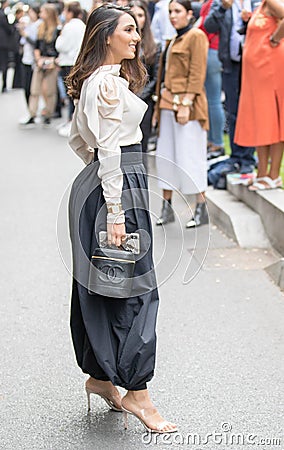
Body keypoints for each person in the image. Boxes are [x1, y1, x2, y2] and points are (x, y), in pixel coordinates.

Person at [66, 4, 177, 434]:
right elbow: (109, 148)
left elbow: (79, 139)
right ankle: (137, 392)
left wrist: (94, 176)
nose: (136, 36)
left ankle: (99, 377)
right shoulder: (108, 85)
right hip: (117, 190)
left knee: (100, 286)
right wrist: (115, 208)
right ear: (105, 35)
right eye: (129, 30)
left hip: (101, 183)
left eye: (137, 29)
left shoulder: (97, 80)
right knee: (135, 290)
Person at [154, 0, 209, 228]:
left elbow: (197, 72)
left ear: (189, 13)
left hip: (188, 105)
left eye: (177, 11)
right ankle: (167, 208)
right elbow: (163, 77)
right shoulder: (174, 39)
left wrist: (187, 102)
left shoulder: (196, 36)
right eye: (170, 12)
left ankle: (201, 208)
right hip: (167, 103)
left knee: (191, 155)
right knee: (166, 156)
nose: (173, 16)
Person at [204, 0, 260, 175]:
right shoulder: (223, 3)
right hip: (231, 64)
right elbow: (209, 26)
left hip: (255, 64)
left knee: (251, 112)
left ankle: (248, 158)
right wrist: (223, 8)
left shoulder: (258, 2)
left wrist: (249, 21)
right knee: (233, 111)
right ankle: (236, 156)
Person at [234, 0, 284, 190]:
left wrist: (275, 38)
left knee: (271, 120)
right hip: (257, 72)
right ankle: (263, 172)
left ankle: (271, 175)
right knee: (262, 120)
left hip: (269, 68)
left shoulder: (272, 2)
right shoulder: (262, 5)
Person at [129, 0, 161, 162]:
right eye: (133, 14)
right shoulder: (121, 45)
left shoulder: (154, 47)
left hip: (144, 101)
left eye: (140, 15)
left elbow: (156, 78)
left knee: (142, 145)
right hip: (125, 100)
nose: (136, 18)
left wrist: (140, 96)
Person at [21, 3, 61, 127]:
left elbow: (58, 48)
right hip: (40, 61)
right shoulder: (41, 27)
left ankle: (48, 113)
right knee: (34, 89)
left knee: (50, 90)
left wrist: (53, 61)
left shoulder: (57, 29)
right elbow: (37, 45)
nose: (40, 14)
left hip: (51, 62)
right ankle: (32, 113)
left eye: (43, 12)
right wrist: (38, 58)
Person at [199, 0, 225, 159]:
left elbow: (206, 26)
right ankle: (213, 141)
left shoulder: (214, 3)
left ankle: (217, 142)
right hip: (213, 51)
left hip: (213, 50)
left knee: (213, 100)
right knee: (211, 100)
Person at [55, 1, 86, 137]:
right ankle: (72, 122)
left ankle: (70, 122)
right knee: (75, 94)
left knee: (70, 94)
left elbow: (61, 46)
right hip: (78, 63)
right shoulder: (83, 26)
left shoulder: (68, 27)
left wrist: (60, 35)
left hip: (68, 63)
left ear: (69, 12)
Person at [19, 5, 41, 105]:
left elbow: (36, 43)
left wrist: (25, 35)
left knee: (32, 88)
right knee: (26, 87)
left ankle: (33, 109)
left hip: (34, 60)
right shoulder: (29, 24)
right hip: (26, 58)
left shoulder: (39, 25)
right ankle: (30, 109)